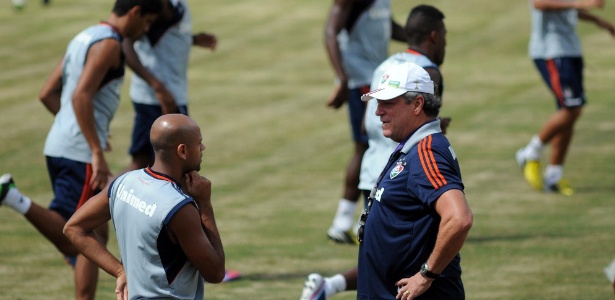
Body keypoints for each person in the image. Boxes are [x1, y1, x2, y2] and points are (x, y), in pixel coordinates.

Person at [0, 1, 163, 299]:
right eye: (148, 21)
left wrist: (89, 131)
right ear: (135, 11)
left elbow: (47, 94)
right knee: (79, 232)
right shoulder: (110, 44)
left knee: (96, 232)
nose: (147, 29)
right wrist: (95, 148)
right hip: (79, 153)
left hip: (61, 144)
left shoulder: (84, 36)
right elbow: (81, 95)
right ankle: (11, 196)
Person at [301, 5, 449, 299]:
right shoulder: (427, 74)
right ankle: (328, 284)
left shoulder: (387, 64)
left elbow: (370, 129)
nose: (381, 110)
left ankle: (328, 285)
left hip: (376, 175)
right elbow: (459, 216)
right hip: (402, 179)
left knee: (383, 262)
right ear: (434, 36)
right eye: (444, 37)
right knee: (400, 263)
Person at [64, 114, 226, 299]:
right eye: (199, 143)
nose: (203, 148)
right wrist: (205, 204)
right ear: (182, 151)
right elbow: (215, 273)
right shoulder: (178, 207)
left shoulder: (124, 182)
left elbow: (74, 228)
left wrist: (119, 271)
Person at [356, 62, 473, 299]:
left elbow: (459, 218)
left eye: (388, 103)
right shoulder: (413, 148)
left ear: (417, 104)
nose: (378, 111)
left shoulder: (426, 152)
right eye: (379, 103)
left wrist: (426, 275)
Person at [324, 0, 406, 245]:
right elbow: (330, 31)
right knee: (368, 146)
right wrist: (342, 78)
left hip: (378, 77)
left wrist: (416, 35)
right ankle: (353, 221)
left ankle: (345, 222)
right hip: (362, 79)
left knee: (369, 147)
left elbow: (384, 24)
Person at [515, 0, 615, 196]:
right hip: (552, 51)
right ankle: (530, 152)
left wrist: (597, 21)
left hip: (569, 50)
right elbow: (539, 3)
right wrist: (583, 3)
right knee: (572, 109)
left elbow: (567, 10)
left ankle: (554, 174)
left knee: (568, 112)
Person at [123, 0, 217, 171]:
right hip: (160, 99)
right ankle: (100, 194)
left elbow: (164, 34)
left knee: (144, 164)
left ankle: (100, 195)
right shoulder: (160, 6)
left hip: (168, 95)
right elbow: (126, 42)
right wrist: (157, 86)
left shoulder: (177, 5)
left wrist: (192, 39)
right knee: (179, 167)